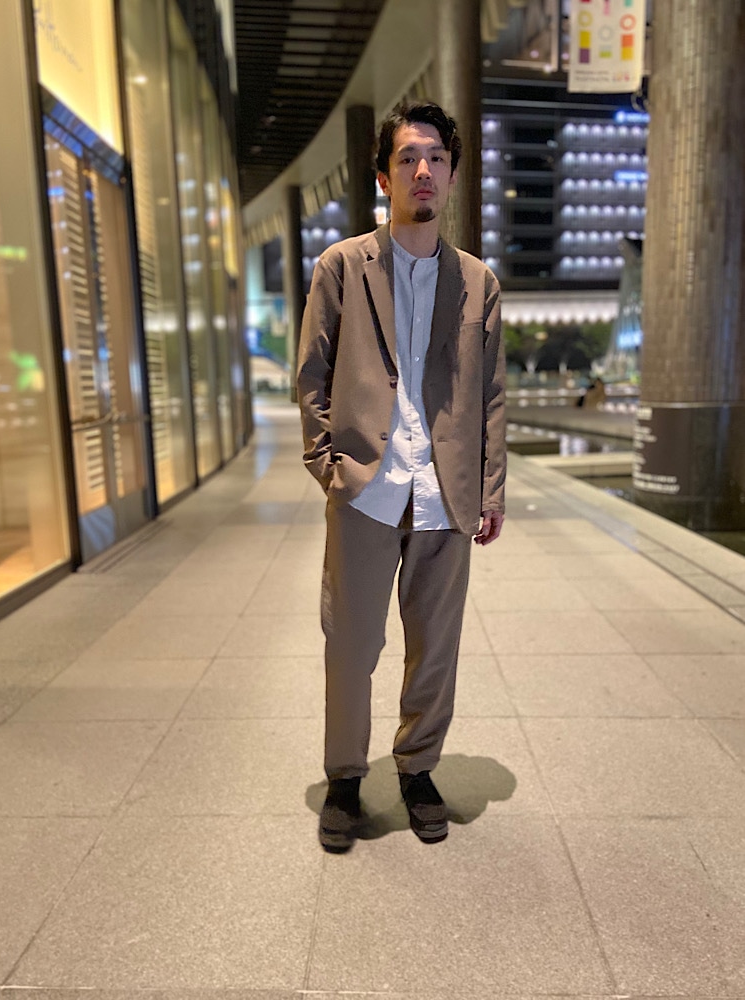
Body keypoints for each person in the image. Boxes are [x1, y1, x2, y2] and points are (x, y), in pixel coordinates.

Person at [297, 100, 507, 853]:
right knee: (351, 644)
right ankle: (345, 778)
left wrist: (489, 489)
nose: (424, 170)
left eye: (437, 159)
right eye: (409, 157)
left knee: (435, 647)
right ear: (384, 176)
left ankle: (418, 770)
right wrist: (329, 466)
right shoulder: (343, 266)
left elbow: (490, 395)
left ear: (451, 175)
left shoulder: (477, 282)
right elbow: (312, 375)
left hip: (445, 493)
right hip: (367, 488)